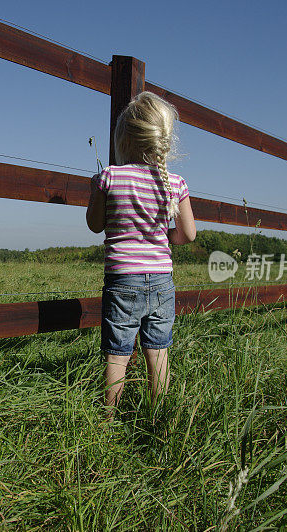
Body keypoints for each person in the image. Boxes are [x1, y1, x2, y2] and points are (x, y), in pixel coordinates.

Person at [86, 91, 196, 418]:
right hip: (162, 282)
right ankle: (158, 419)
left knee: (116, 355)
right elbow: (187, 234)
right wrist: (165, 233)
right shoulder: (175, 183)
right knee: (158, 353)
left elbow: (95, 225)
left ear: (123, 138)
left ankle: (107, 425)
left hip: (122, 282)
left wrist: (97, 190)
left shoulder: (110, 178)